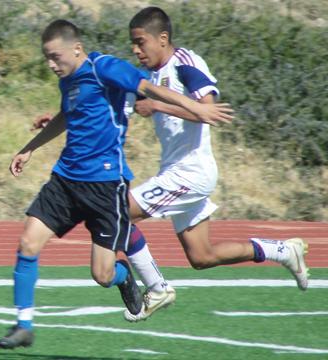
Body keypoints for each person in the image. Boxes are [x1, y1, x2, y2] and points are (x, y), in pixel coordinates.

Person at [0, 19, 234, 349]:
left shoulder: (104, 66)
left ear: (75, 49)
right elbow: (68, 115)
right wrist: (30, 148)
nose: (51, 64)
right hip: (65, 179)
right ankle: (23, 325)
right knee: (28, 243)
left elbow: (147, 88)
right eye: (46, 58)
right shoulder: (68, 81)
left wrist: (195, 106)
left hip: (105, 185)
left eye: (55, 56)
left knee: (102, 275)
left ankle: (126, 279)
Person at [121, 7, 309, 321]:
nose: (136, 50)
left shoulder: (186, 64)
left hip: (189, 174)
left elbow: (208, 110)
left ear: (162, 38)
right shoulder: (149, 76)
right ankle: (282, 251)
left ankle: (156, 287)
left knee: (118, 213)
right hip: (177, 172)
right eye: (133, 44)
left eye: (140, 42)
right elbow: (121, 107)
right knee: (201, 256)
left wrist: (158, 104)